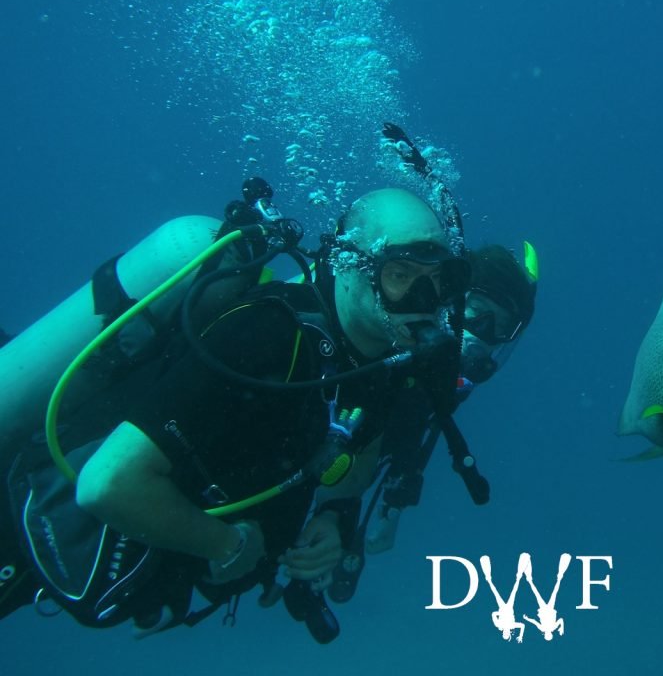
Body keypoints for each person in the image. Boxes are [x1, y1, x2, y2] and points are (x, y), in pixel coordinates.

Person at [0, 183, 472, 641]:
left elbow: (355, 452)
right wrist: (226, 546)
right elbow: (108, 483)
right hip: (19, 528)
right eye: (400, 275)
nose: (425, 302)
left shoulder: (386, 360)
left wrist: (333, 519)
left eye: (439, 280)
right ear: (348, 265)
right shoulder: (264, 335)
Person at [309, 243, 538, 604]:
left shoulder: (441, 379)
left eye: (501, 327)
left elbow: (416, 432)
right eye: (476, 310)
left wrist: (384, 507)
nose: (483, 331)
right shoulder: (391, 350)